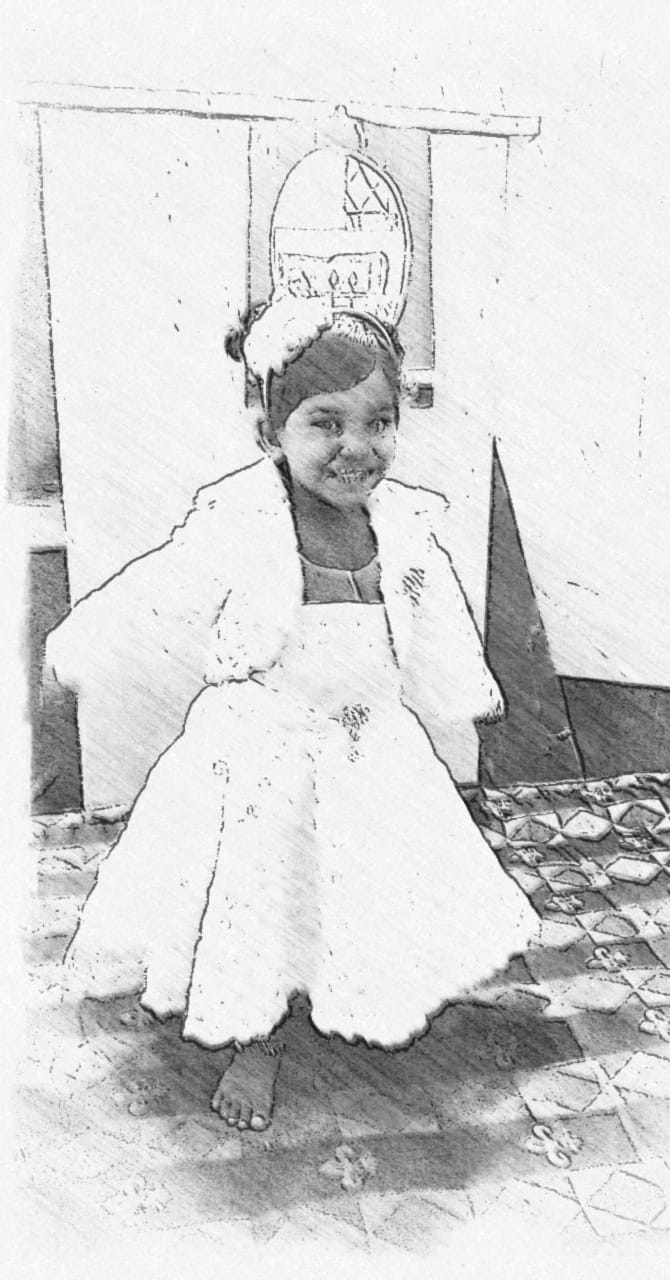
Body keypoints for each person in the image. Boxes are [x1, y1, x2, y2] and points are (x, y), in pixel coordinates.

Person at [46, 294, 539, 1132]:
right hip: (264, 752)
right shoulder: (241, 522)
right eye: (326, 424)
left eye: (378, 423)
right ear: (269, 431)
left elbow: (437, 618)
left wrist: (466, 695)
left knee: (368, 880)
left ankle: (368, 986)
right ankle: (258, 1036)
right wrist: (75, 652)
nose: (356, 447)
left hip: (371, 746)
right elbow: (158, 591)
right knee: (266, 893)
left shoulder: (404, 525)